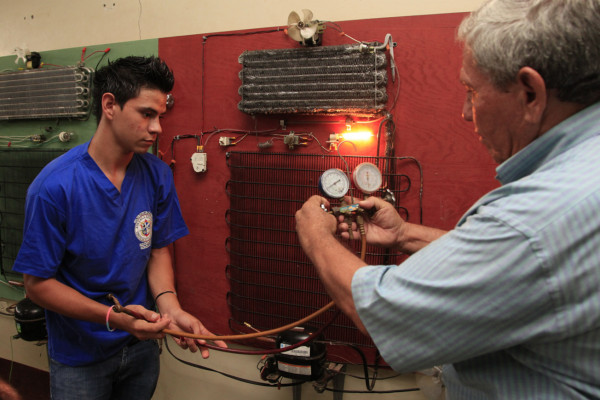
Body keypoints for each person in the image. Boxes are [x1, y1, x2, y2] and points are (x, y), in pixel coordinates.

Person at [295, 0, 600, 398]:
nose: (465, 113)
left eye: (472, 91)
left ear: (530, 93)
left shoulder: (535, 216)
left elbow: (391, 313)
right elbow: (514, 270)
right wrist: (404, 234)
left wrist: (317, 237)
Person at [12, 56, 225, 399]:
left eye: (160, 116)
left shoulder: (156, 174)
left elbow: (157, 249)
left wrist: (170, 308)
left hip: (140, 346)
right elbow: (37, 285)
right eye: (146, 114)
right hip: (80, 355)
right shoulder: (54, 186)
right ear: (110, 105)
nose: (157, 128)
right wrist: (115, 317)